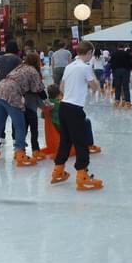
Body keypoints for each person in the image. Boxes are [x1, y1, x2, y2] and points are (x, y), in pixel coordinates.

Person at [50, 41, 103, 190]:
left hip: (64, 107)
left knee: (65, 141)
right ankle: (82, 175)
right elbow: (95, 87)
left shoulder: (69, 66)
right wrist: (94, 81)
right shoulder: (85, 67)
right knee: (81, 142)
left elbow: (61, 87)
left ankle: (58, 170)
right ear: (89, 53)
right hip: (75, 109)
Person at [0, 52, 46, 165]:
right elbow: (39, 89)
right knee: (20, 125)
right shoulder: (32, 70)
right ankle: (20, 153)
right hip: (11, 93)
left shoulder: (20, 67)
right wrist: (46, 101)